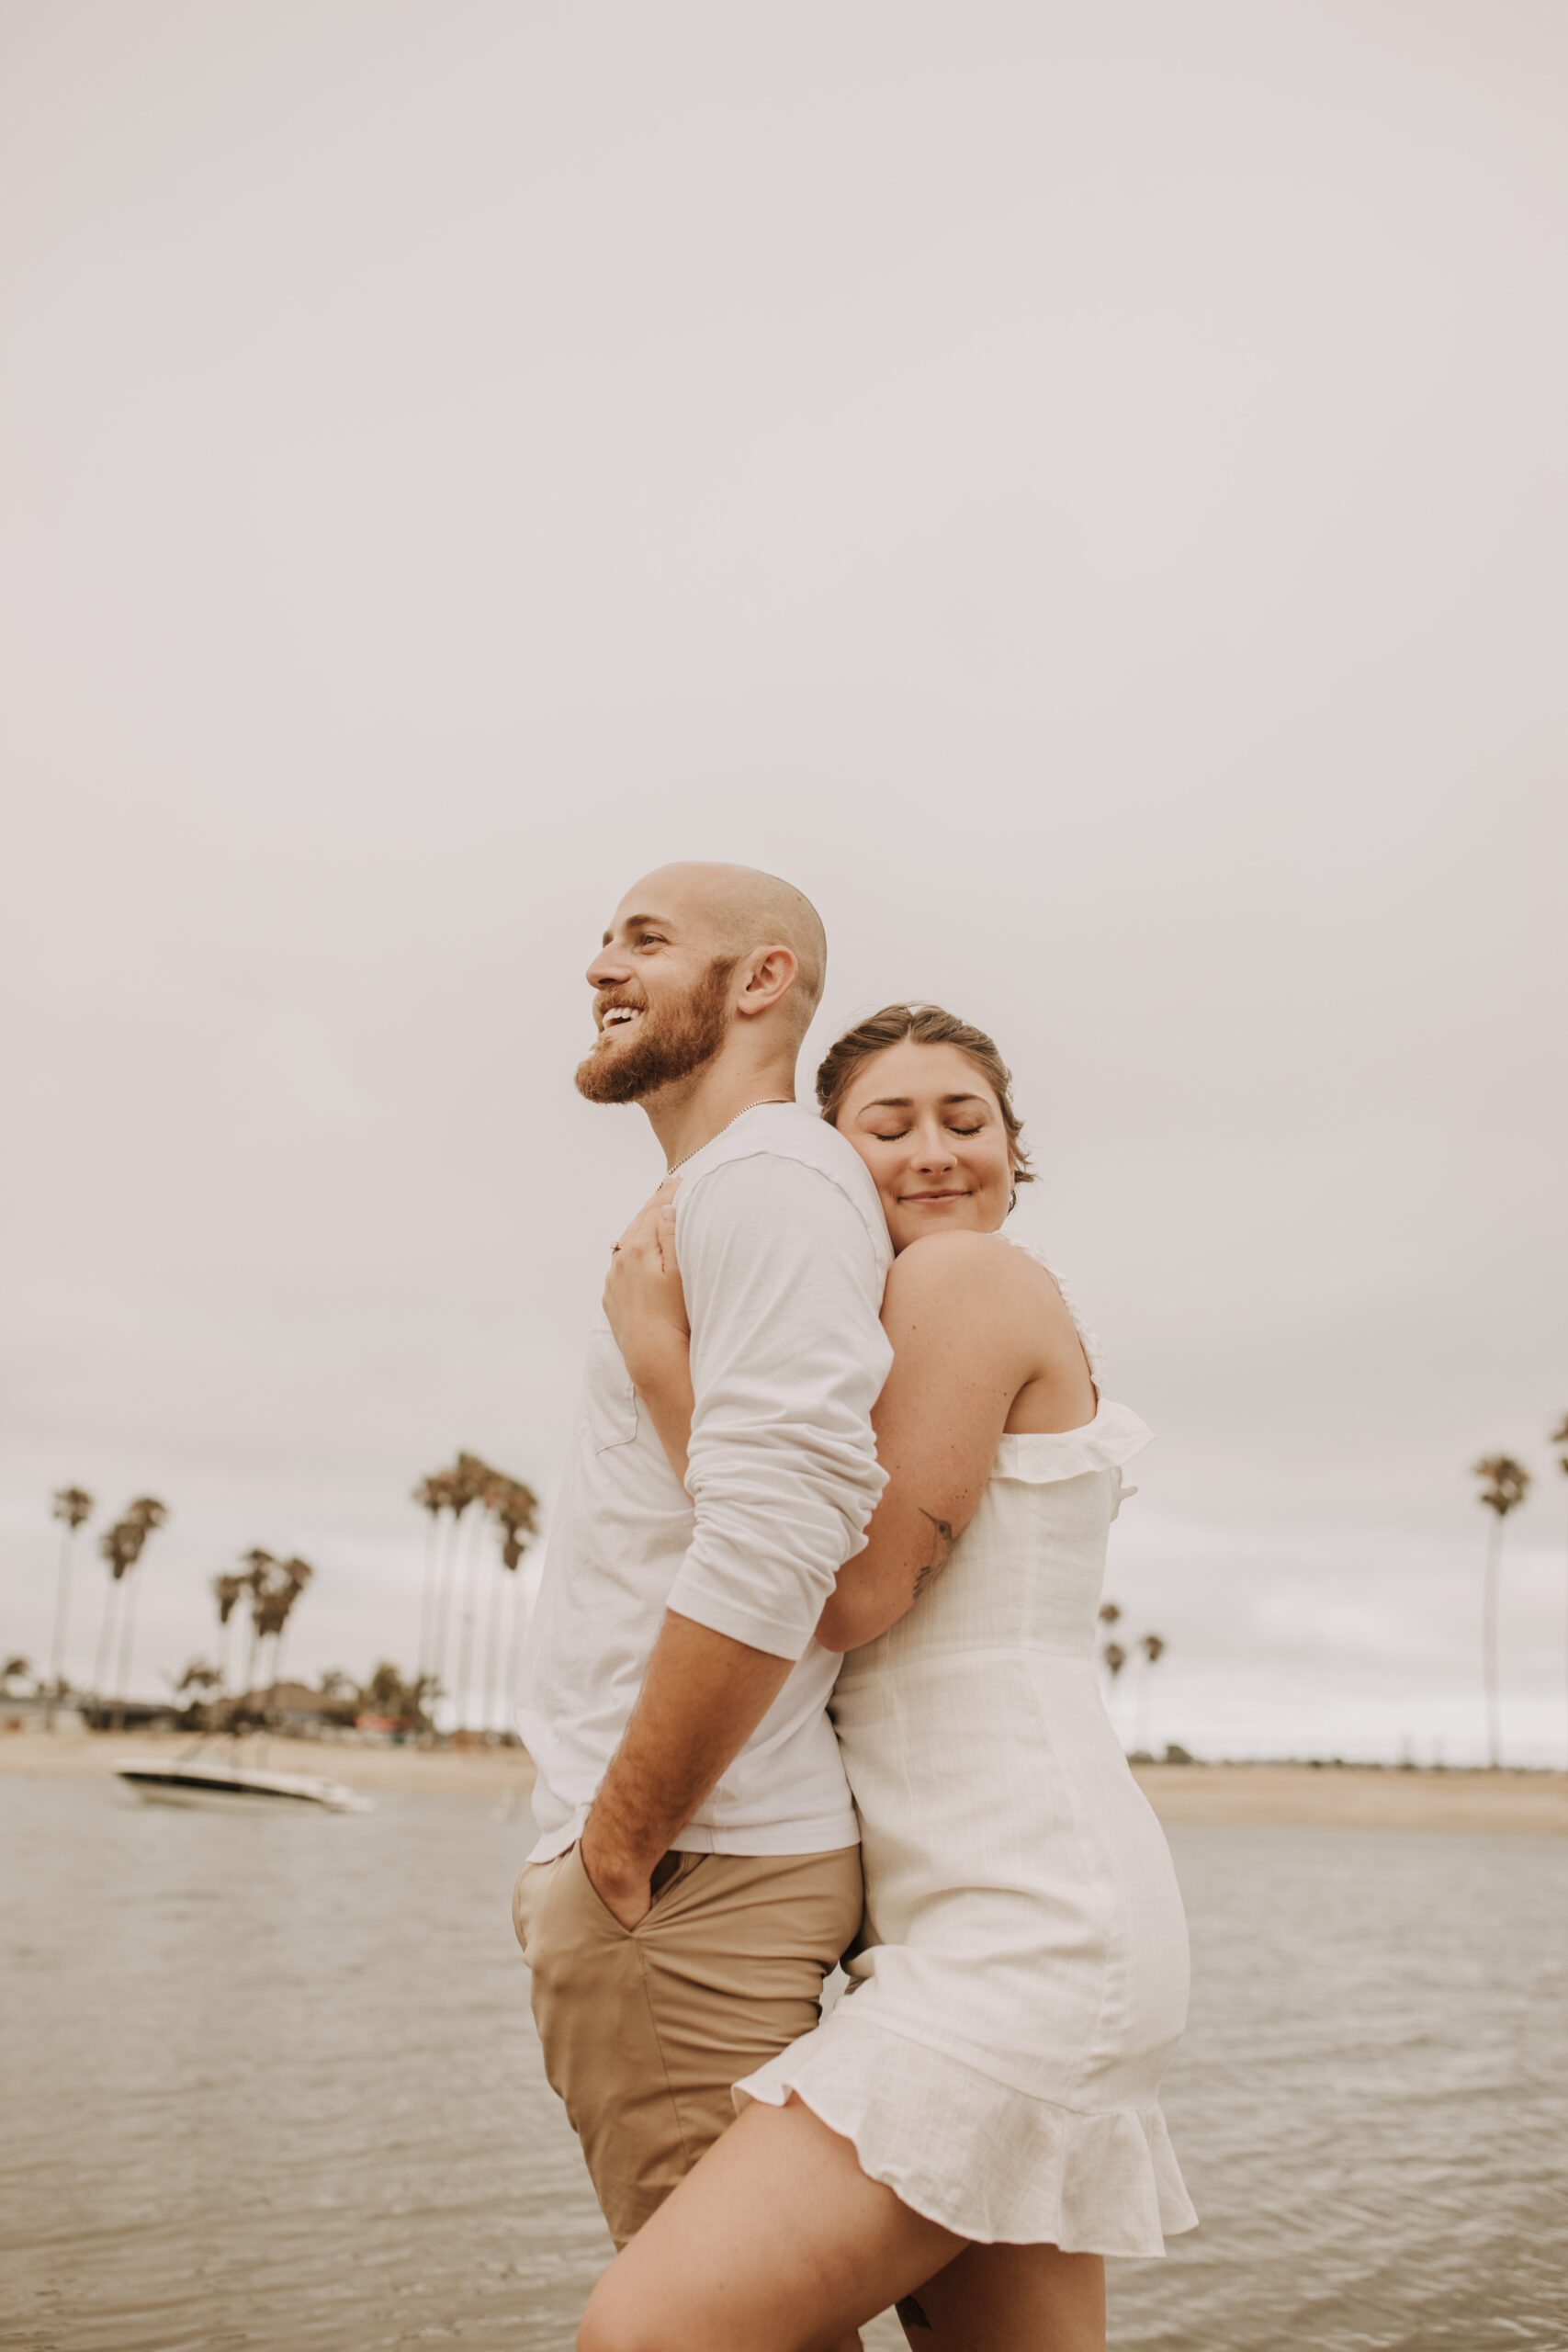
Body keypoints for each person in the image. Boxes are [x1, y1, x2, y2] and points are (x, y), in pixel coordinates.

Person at [582, 1002, 1196, 2352]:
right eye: (888, 1126)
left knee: (651, 2332)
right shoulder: (889, 1318)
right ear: (833, 1159)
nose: (932, 1152)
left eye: (965, 1122)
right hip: (985, 1914)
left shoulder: (964, 1282)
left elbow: (848, 1594)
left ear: (1014, 1154)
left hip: (1025, 1927)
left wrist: (659, 1360)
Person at [513, 862, 895, 2261]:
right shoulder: (725, 1192)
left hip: (690, 1871)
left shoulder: (775, 1181)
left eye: (647, 940)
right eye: (604, 939)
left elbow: (784, 1527)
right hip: (680, 1864)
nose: (602, 966)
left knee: (702, 2321)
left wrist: (621, 1842)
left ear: (760, 981)